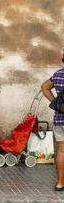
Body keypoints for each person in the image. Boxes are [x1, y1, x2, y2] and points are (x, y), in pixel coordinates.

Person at [41, 52, 64, 191]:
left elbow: (44, 87)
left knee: (62, 150)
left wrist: (55, 103)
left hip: (60, 119)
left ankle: (60, 183)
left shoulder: (58, 74)